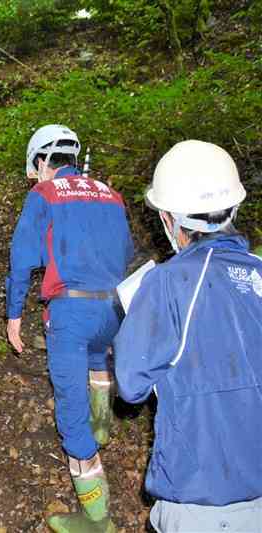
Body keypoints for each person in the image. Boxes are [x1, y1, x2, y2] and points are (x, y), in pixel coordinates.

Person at [114, 140, 262, 532]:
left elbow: (131, 385)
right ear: (235, 208)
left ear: (169, 220)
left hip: (204, 499)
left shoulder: (166, 283)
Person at [5, 125, 134, 532]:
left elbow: (22, 259)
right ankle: (104, 425)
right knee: (99, 359)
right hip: (114, 308)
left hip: (72, 312)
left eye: (34, 168)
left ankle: (97, 518)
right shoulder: (111, 194)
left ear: (43, 162)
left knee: (70, 415)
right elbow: (126, 252)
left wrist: (13, 315)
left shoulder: (43, 194)